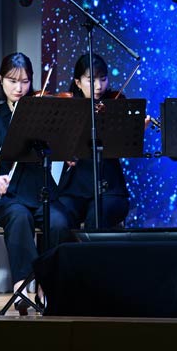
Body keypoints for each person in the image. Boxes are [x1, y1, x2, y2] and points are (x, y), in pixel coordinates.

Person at [0, 52, 75, 314]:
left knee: (58, 222)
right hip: (8, 195)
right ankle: (22, 286)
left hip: (42, 192)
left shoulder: (44, 114)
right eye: (12, 81)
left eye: (25, 81)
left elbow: (63, 143)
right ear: (1, 80)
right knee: (19, 217)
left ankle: (47, 285)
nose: (19, 88)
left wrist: (67, 152)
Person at [55, 54, 131, 229]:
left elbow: (125, 146)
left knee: (97, 217)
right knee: (58, 220)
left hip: (110, 189)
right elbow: (53, 143)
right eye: (91, 80)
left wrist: (136, 129)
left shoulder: (116, 102)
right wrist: (63, 152)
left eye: (103, 79)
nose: (99, 86)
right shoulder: (67, 107)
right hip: (74, 189)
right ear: (78, 82)